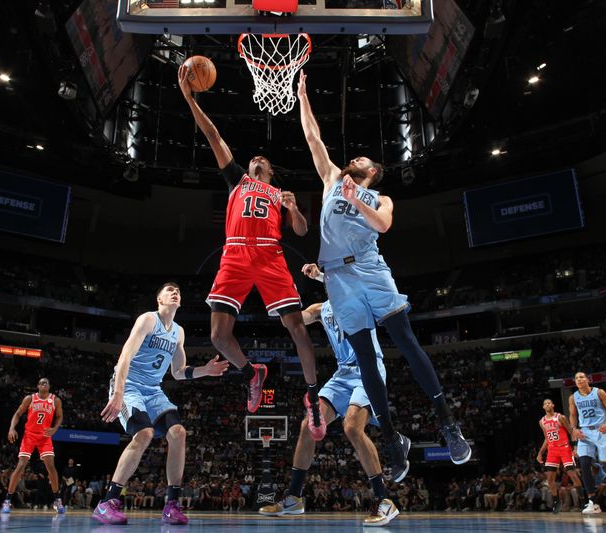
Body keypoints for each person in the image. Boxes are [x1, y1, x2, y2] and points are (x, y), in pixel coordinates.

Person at [296, 70, 469, 480]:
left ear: (372, 172)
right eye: (353, 158)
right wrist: (303, 96)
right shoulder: (331, 181)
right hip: (337, 279)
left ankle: (447, 422)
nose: (354, 160)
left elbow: (383, 225)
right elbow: (313, 139)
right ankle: (391, 439)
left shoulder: (380, 196)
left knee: (405, 341)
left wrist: (358, 201)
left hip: (371, 270)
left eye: (361, 161)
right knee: (365, 362)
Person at [178, 64, 326, 441]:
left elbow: (303, 232)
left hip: (270, 256)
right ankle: (251, 373)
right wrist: (189, 98)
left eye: (264, 159)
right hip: (236, 254)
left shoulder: (280, 195)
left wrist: (293, 209)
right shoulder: (237, 179)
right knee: (217, 336)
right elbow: (212, 133)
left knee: (298, 329)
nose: (257, 157)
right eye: (254, 157)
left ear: (271, 171)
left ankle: (311, 396)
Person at [259, 263, 399, 526]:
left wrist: (323, 275)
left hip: (368, 368)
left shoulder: (359, 298)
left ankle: (384, 500)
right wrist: (280, 293)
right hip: (343, 374)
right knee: (306, 426)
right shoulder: (320, 309)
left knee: (352, 428)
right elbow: (290, 321)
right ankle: (294, 497)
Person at [91, 282, 228, 525]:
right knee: (144, 433)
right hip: (129, 385)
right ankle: (107, 502)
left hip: (153, 390)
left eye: (178, 291)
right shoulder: (147, 320)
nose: (175, 292)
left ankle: (171, 504)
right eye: (169, 291)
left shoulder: (178, 332)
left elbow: (178, 372)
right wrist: (119, 393)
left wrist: (205, 370)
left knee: (178, 433)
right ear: (159, 300)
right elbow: (125, 355)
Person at [2, 377, 65, 514]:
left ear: (49, 386)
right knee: (21, 466)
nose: (44, 384)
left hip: (45, 437)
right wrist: (12, 428)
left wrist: (54, 428)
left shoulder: (55, 400)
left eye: (47, 383)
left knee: (51, 467)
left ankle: (57, 499)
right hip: (30, 435)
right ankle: (7, 500)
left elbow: (60, 416)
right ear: (37, 386)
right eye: (42, 382)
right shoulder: (30, 398)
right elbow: (18, 414)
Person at [568, 371, 606, 516]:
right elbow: (573, 415)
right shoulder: (573, 397)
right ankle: (593, 502)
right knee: (585, 465)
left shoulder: (599, 392)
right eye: (576, 378)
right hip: (584, 432)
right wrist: (574, 429)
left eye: (581, 377)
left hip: (601, 430)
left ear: (587, 379)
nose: (579, 379)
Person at [535, 398, 584, 513]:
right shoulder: (542, 421)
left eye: (549, 402)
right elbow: (547, 438)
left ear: (553, 405)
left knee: (572, 474)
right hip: (552, 450)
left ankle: (583, 501)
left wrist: (575, 447)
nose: (547, 404)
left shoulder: (560, 417)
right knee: (550, 478)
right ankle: (556, 501)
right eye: (545, 403)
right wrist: (540, 453)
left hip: (564, 448)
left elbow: (571, 432)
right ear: (543, 407)